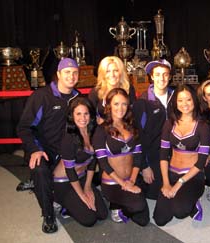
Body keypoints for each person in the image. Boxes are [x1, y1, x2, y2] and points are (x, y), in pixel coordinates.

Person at [16, 58, 80, 233]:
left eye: (75, 72)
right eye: (67, 72)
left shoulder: (77, 97)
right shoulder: (41, 97)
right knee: (41, 170)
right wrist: (35, 150)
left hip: (66, 151)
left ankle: (62, 196)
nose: (71, 76)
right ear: (58, 74)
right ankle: (48, 215)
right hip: (43, 150)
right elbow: (23, 128)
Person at [153, 84, 210, 226]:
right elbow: (163, 155)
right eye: (180, 100)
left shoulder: (202, 126)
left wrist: (178, 184)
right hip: (171, 174)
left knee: (179, 211)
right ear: (175, 103)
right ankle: (181, 197)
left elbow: (201, 162)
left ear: (194, 101)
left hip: (192, 176)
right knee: (160, 219)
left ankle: (194, 202)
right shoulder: (169, 124)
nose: (184, 104)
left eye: (188, 100)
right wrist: (166, 183)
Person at [92, 88, 149, 226]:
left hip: (131, 179)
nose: (120, 108)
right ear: (109, 106)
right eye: (116, 104)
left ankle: (120, 203)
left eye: (124, 104)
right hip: (113, 183)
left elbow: (137, 156)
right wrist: (124, 184)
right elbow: (103, 163)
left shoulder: (132, 127)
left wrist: (132, 181)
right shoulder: (101, 130)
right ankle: (115, 204)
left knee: (143, 220)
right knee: (138, 206)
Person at [53, 97, 108, 226]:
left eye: (86, 113)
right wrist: (82, 194)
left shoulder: (93, 132)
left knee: (102, 214)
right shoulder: (69, 137)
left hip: (82, 177)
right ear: (72, 115)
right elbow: (70, 171)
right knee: (89, 219)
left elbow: (93, 162)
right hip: (64, 183)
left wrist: (88, 187)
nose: (82, 118)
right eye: (78, 114)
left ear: (91, 115)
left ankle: (76, 202)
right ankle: (62, 203)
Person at [133, 59, 174, 200]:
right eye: (157, 74)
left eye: (165, 74)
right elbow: (138, 136)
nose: (161, 78)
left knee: (177, 188)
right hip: (153, 154)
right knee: (155, 194)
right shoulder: (143, 102)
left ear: (170, 76)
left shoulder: (178, 97)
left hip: (175, 151)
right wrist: (144, 166)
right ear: (151, 77)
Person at [88, 56, 136, 125]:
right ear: (103, 74)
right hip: (103, 130)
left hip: (125, 129)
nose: (112, 75)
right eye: (108, 71)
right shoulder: (95, 92)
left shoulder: (129, 89)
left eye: (116, 71)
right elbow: (90, 116)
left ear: (121, 72)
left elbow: (133, 113)